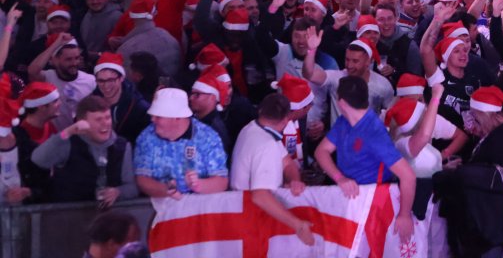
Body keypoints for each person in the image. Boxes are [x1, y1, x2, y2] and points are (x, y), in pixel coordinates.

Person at [313, 76, 416, 243]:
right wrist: (340, 178)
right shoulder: (343, 122)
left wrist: (404, 215)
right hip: (349, 199)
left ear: (342, 103)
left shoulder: (374, 132)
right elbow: (321, 151)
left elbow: (408, 176)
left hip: (373, 203)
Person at [231, 93, 315, 247]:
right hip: (253, 221)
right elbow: (260, 196)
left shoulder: (253, 128)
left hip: (251, 215)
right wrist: (298, 225)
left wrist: (294, 180)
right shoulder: (266, 145)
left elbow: (287, 163)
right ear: (285, 120)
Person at [31, 95, 137, 204]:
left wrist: (118, 192)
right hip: (69, 216)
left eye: (107, 117)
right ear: (82, 122)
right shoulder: (69, 143)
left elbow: (132, 188)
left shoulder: (123, 146)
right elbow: (38, 159)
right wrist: (67, 132)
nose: (105, 123)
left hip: (107, 217)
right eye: (98, 119)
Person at [133, 88, 229, 198]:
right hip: (160, 209)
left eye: (158, 116)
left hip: (199, 209)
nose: (152, 120)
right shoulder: (146, 137)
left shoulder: (208, 138)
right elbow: (142, 179)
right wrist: (166, 190)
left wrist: (198, 185)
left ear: (177, 118)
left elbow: (222, 181)